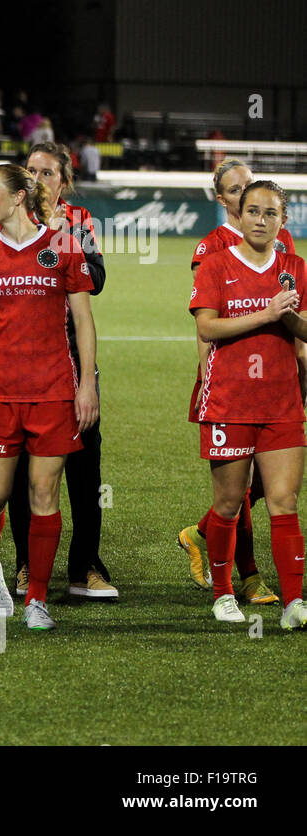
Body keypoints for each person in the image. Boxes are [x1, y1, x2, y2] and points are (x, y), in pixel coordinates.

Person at [0, 164, 98, 631]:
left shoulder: (62, 247)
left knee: (43, 494)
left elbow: (84, 321)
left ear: (18, 198)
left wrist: (87, 384)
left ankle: (37, 598)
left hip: (53, 392)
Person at [176, 158, 296, 606]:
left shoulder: (278, 240)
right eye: (234, 189)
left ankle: (202, 532)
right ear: (223, 199)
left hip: (278, 381)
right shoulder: (211, 249)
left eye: (249, 185)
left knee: (266, 481)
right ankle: (247, 576)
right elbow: (207, 321)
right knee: (240, 485)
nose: (246, 194)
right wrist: (209, 371)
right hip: (228, 379)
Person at [2, 142, 115, 599]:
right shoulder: (10, 219)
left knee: (85, 470)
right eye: (31, 171)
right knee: (24, 471)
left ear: (64, 182)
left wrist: (61, 237)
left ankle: (85, 566)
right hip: (21, 365)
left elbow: (97, 280)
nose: (37, 180)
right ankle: (27, 565)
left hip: (71, 359)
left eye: (48, 173)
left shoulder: (79, 221)